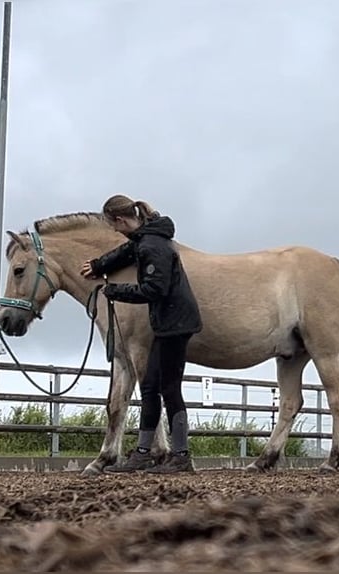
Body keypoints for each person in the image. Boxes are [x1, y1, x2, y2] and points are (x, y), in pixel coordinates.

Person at [80, 194, 203, 474]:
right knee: (149, 387)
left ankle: (181, 456)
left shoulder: (153, 247)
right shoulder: (146, 238)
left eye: (115, 227)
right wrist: (100, 265)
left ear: (121, 220)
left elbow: (153, 290)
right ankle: (144, 453)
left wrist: (115, 291)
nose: (116, 232)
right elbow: (127, 251)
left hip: (176, 324)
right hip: (167, 322)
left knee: (170, 389)